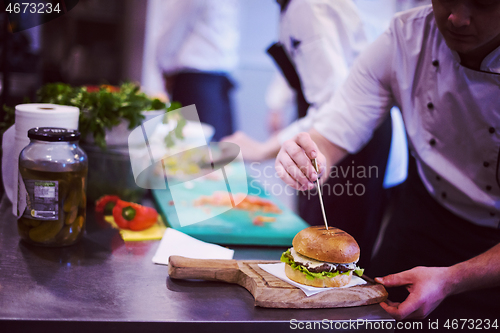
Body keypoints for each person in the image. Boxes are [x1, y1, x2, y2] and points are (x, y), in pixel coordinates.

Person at [275, 0, 500, 320]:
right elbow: (335, 132)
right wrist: (308, 156)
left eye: (483, 4)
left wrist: (453, 279)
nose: (457, 18)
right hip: (424, 215)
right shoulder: (404, 37)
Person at [223, 0, 397, 266]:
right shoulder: (296, 7)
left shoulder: (308, 6)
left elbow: (333, 104)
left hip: (351, 143)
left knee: (334, 258)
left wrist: (262, 150)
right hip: (342, 132)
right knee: (313, 250)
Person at [156, 0, 239, 141]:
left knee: (222, 149)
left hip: (219, 80)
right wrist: (165, 66)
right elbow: (173, 29)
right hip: (195, 81)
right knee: (193, 150)